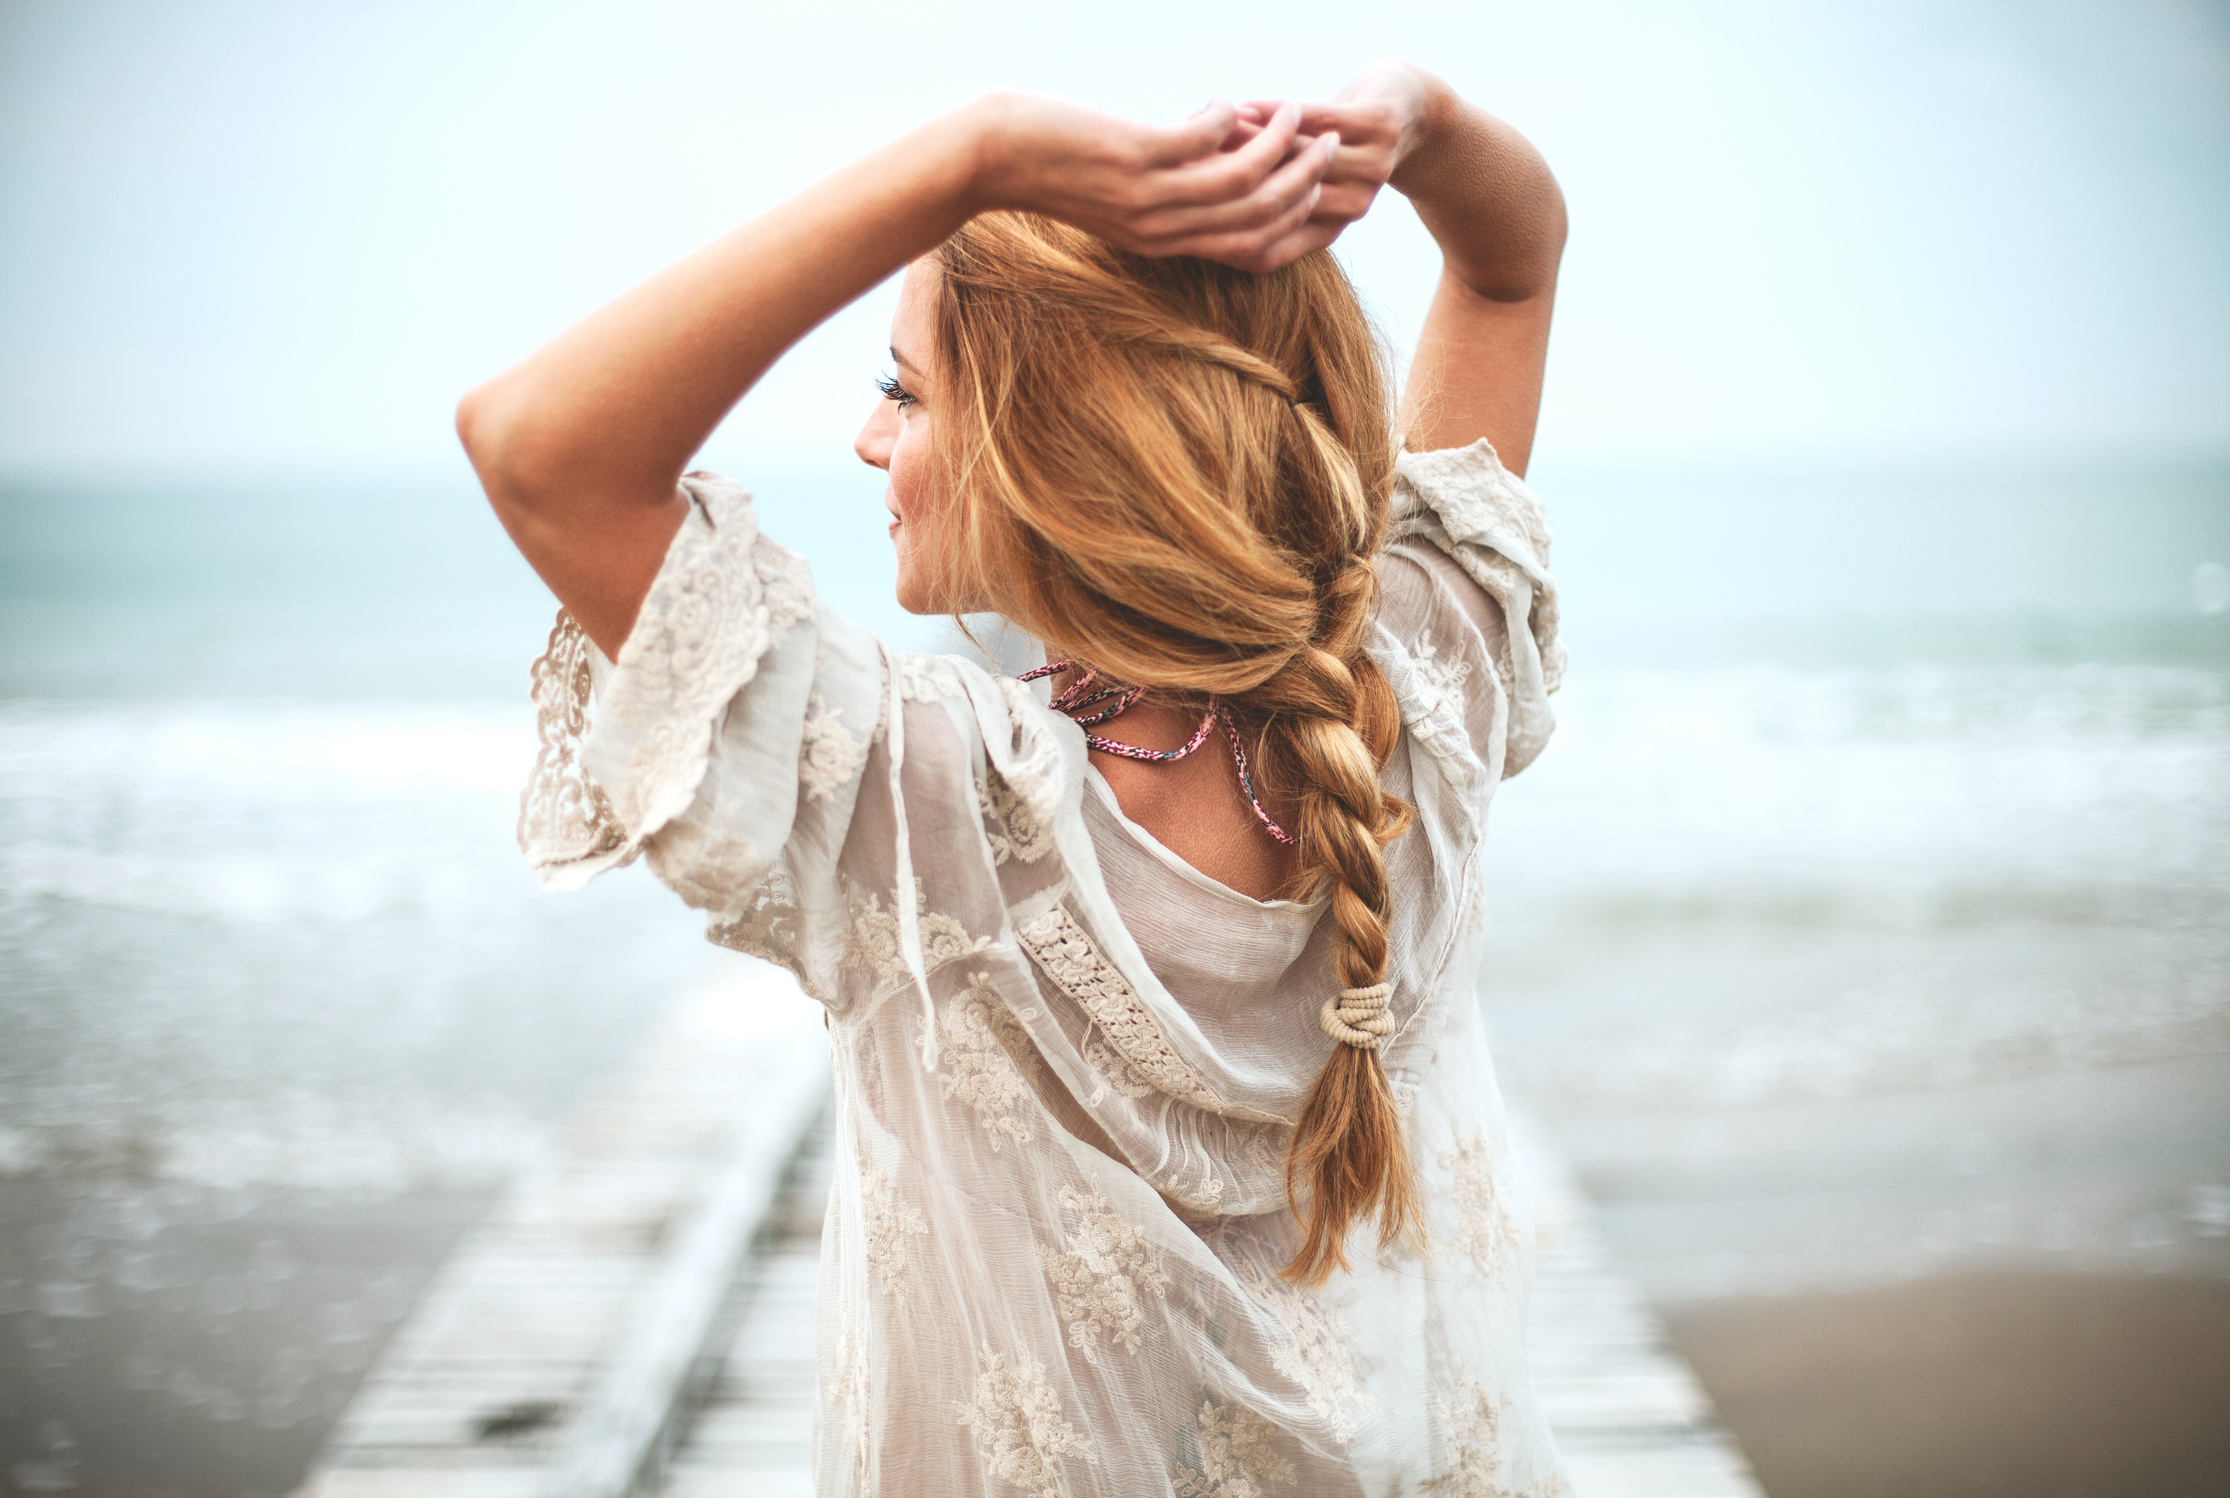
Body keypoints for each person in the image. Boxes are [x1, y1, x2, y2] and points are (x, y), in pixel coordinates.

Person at [458, 56, 1569, 1497]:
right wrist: (1425, 122)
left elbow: (541, 447)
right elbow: (1508, 267)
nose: (869, 437)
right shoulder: (1417, 685)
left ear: (1055, 445)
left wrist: (969, 157)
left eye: (903, 391)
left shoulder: (927, 810)